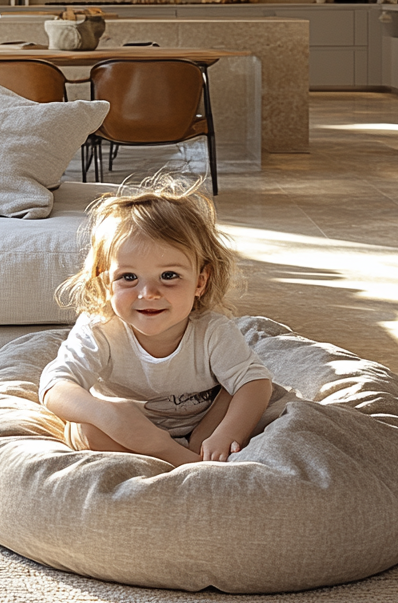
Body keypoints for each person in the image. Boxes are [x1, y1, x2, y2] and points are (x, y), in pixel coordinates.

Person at [40, 179, 273, 467]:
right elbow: (54, 386)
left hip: (201, 427)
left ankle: (186, 457)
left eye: (169, 276)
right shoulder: (99, 329)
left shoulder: (212, 331)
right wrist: (110, 416)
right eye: (128, 278)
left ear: (200, 281)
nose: (148, 293)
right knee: (88, 429)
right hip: (125, 432)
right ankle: (184, 464)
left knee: (235, 393)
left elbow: (257, 383)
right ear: (106, 283)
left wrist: (227, 434)